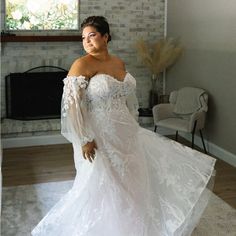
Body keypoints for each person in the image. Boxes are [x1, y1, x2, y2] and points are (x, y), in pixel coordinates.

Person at [31, 16, 216, 236]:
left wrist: (134, 122)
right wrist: (84, 138)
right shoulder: (81, 64)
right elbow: (72, 107)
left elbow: (127, 99)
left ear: (106, 36)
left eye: (92, 35)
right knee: (103, 183)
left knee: (133, 180)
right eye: (83, 38)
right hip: (99, 135)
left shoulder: (118, 63)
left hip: (127, 131)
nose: (87, 41)